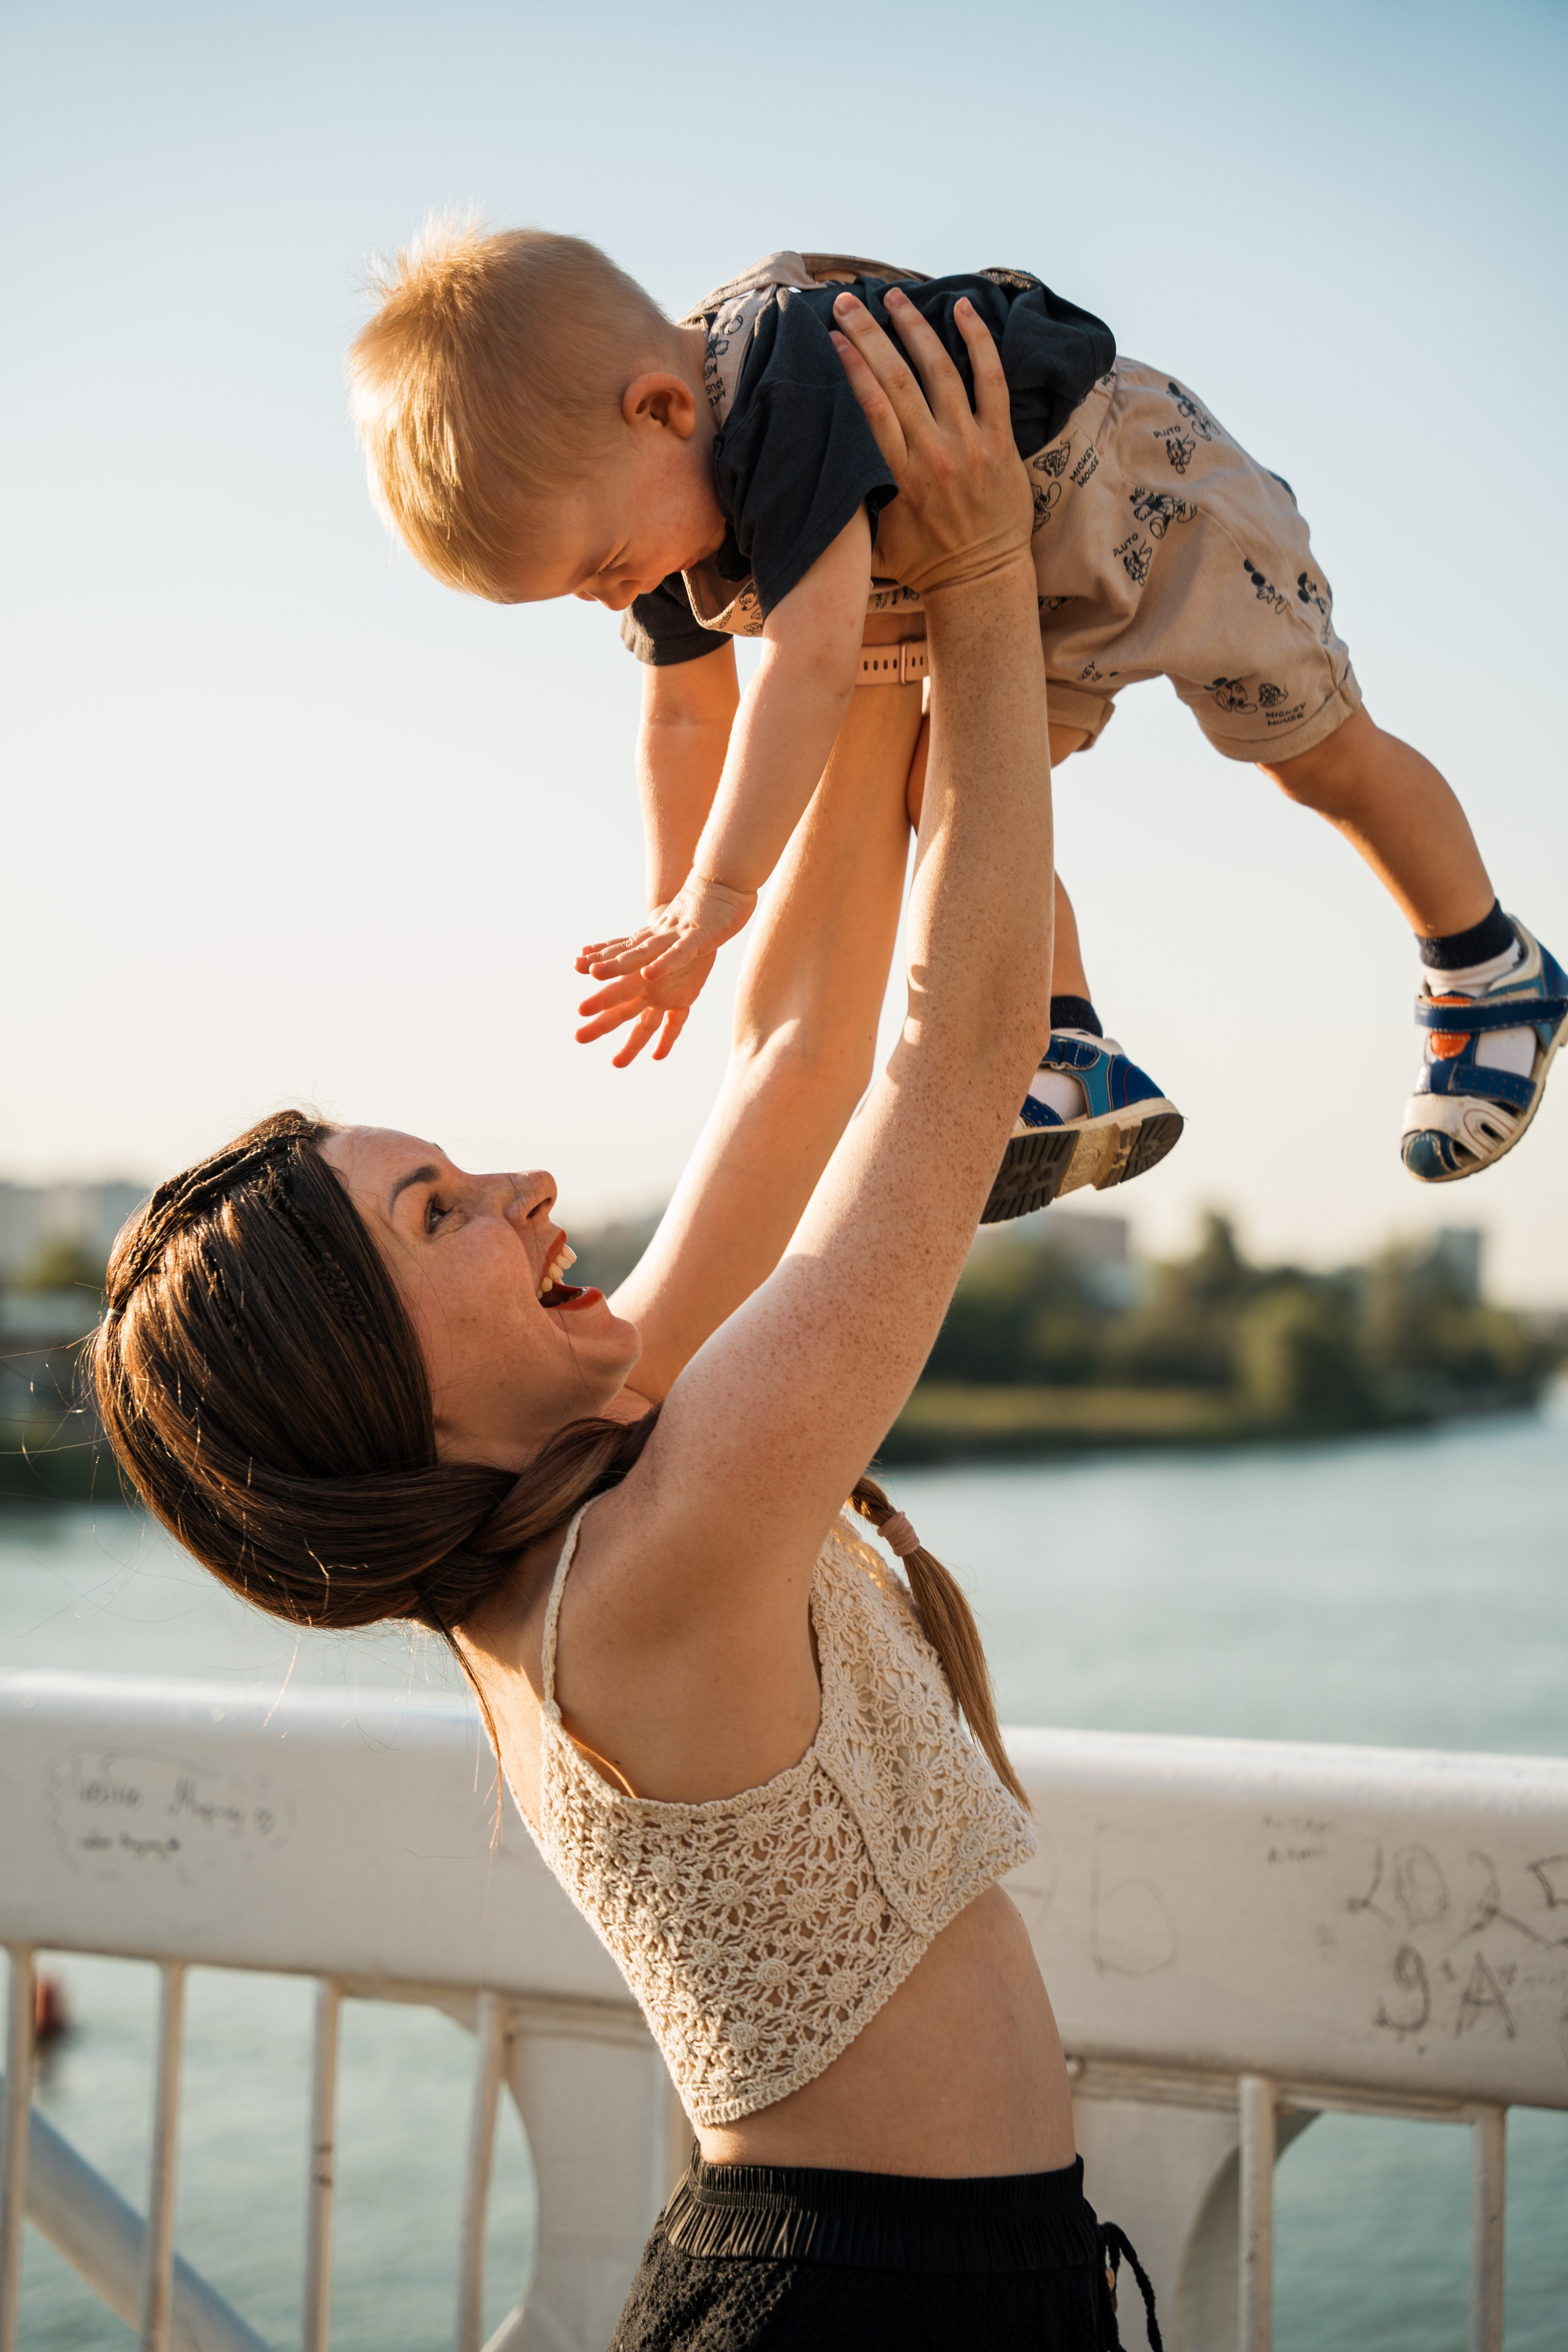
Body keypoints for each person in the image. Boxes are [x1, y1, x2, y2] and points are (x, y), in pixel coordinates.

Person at [93, 301, 1158, 2350]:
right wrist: (986, 585)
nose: (523, 1187)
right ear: (382, 1397)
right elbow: (946, 1075)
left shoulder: (577, 1507)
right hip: (872, 2308)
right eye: (441, 1215)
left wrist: (847, 631)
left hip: (864, 2282)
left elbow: (787, 1059)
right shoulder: (661, 1563)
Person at [348, 225, 1567, 1216]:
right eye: (576, 589)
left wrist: (723, 900)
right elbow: (680, 712)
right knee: (952, 790)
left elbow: (809, 663)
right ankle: (1067, 1040)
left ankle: (1483, 965)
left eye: (603, 561)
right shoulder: (647, 513)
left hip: (1154, 505)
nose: (612, 594)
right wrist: (681, 915)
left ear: (663, 409)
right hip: (1010, 583)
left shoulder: (782, 394)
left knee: (1316, 758)